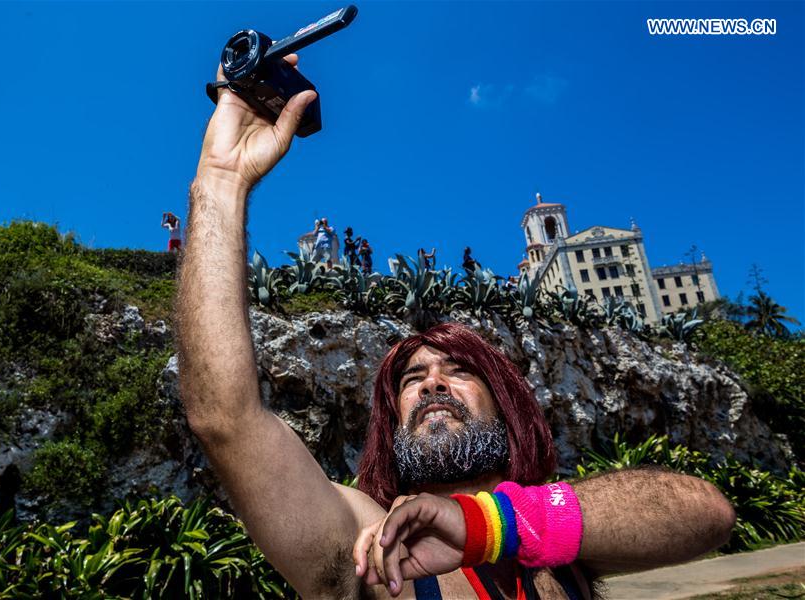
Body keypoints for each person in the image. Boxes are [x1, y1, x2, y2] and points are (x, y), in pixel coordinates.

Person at [177, 53, 736, 599]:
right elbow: (225, 418)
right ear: (389, 421)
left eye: (460, 369)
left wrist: (485, 526)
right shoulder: (375, 545)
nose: (432, 384)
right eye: (410, 379)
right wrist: (220, 183)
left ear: (506, 401)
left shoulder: (551, 533)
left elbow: (706, 513)